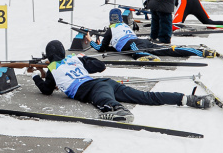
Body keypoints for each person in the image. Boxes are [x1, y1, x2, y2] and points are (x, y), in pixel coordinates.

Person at [32, 40, 212, 122]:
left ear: (49, 56)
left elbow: (47, 90)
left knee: (105, 102)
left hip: (92, 88)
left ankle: (119, 110)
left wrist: (35, 76)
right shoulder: (73, 59)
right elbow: (100, 66)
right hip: (105, 82)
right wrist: (83, 58)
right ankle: (186, 99)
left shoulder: (53, 68)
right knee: (146, 97)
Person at [89, 8, 212, 59]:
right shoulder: (125, 25)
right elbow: (113, 47)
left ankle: (148, 58)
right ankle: (200, 52)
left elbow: (101, 49)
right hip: (142, 41)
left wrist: (90, 40)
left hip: (132, 44)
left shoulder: (110, 29)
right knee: (167, 50)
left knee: (135, 53)